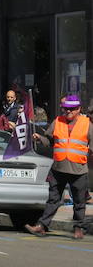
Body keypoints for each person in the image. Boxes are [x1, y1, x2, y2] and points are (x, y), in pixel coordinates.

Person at [26, 94, 91, 240]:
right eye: (66, 109)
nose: (68, 112)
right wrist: (40, 138)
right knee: (53, 199)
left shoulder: (87, 124)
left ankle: (78, 228)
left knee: (79, 201)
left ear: (79, 109)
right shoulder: (58, 121)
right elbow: (49, 140)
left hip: (78, 169)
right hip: (58, 168)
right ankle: (42, 226)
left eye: (72, 109)